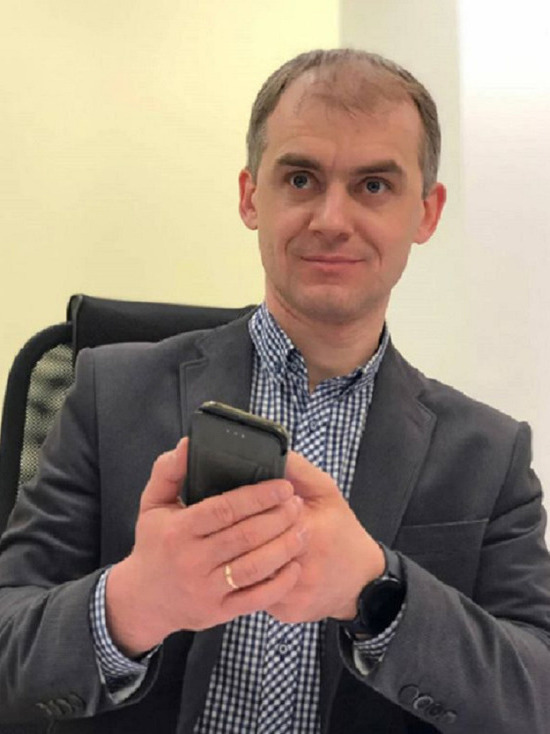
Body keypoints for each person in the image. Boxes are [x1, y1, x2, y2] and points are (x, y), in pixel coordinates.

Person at [0, 48, 549, 734]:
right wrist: (134, 604)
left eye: (374, 185)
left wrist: (378, 592)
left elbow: (536, 696)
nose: (332, 219)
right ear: (250, 196)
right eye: (300, 178)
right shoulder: (107, 394)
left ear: (426, 213)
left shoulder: (491, 456)